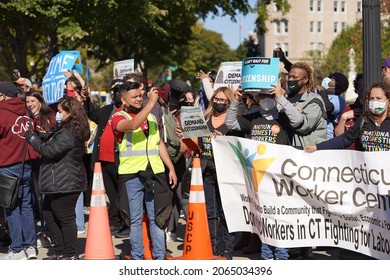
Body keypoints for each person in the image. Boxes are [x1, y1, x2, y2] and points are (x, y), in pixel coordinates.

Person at [111, 81, 176, 260]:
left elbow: (159, 143)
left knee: (157, 218)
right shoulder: (118, 116)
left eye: (140, 96)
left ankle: (160, 257)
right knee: (135, 220)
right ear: (124, 100)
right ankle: (138, 258)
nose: (139, 99)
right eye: (135, 97)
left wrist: (170, 167)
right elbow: (131, 125)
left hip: (154, 173)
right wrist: (150, 104)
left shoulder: (151, 117)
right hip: (131, 175)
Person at [269, 61, 327, 259]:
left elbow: (300, 124)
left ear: (306, 80)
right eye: (289, 76)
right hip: (287, 159)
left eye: (295, 78)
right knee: (289, 203)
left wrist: (282, 100)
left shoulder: (314, 101)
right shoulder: (287, 98)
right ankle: (292, 245)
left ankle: (304, 248)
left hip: (308, 159)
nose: (291, 80)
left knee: (305, 205)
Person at [225, 90, 291, 260]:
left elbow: (299, 121)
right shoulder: (253, 117)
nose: (265, 99)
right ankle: (267, 256)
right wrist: (236, 101)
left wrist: (280, 97)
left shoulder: (283, 116)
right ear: (256, 98)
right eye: (261, 96)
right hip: (259, 177)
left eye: (269, 95)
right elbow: (230, 123)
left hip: (279, 176)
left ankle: (282, 255)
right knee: (264, 218)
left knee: (279, 217)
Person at [25, 97, 91, 260]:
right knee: (48, 214)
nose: (57, 114)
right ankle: (61, 250)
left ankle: (69, 254)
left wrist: (31, 138)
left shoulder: (70, 133)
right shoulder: (65, 129)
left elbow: (50, 150)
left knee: (65, 218)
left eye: (60, 111)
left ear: (70, 113)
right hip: (59, 181)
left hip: (67, 182)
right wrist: (37, 134)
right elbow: (50, 138)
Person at [191, 86, 237, 259]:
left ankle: (227, 249)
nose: (219, 103)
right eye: (216, 99)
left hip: (227, 172)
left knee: (226, 212)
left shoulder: (234, 122)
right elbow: (196, 146)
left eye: (223, 100)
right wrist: (188, 137)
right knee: (211, 212)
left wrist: (224, 138)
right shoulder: (205, 118)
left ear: (229, 102)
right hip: (207, 170)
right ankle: (212, 247)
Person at [84, 79, 129, 236]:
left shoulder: (129, 111)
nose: (116, 94)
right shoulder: (107, 110)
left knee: (123, 194)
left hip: (121, 160)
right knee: (112, 194)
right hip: (104, 160)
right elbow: (91, 113)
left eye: (119, 91)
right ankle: (116, 222)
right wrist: (86, 98)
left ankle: (125, 223)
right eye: (114, 91)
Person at [0, 81, 38, 260]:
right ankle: (30, 246)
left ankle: (17, 249)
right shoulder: (26, 110)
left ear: (2, 95)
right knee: (26, 206)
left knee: (11, 208)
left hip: (7, 166)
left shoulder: (1, 112)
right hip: (26, 164)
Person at [305, 81, 390, 153]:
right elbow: (344, 139)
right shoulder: (364, 120)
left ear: (388, 101)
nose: (375, 102)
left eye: (379, 98)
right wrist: (317, 147)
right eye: (372, 98)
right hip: (368, 170)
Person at [25, 90, 56, 248]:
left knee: (45, 198)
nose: (30, 104)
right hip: (31, 162)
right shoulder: (27, 117)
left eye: (32, 101)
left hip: (45, 161)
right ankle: (45, 231)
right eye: (28, 102)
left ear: (40, 101)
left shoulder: (48, 116)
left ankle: (48, 232)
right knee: (36, 198)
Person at [334, 73, 364, 150]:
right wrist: (344, 117)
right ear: (356, 90)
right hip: (349, 156)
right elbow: (338, 136)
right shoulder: (348, 109)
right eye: (360, 87)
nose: (363, 90)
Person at [317, 72, 349, 139]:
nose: (327, 79)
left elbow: (328, 108)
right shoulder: (318, 92)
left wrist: (322, 92)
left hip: (326, 139)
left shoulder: (339, 100)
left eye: (331, 78)